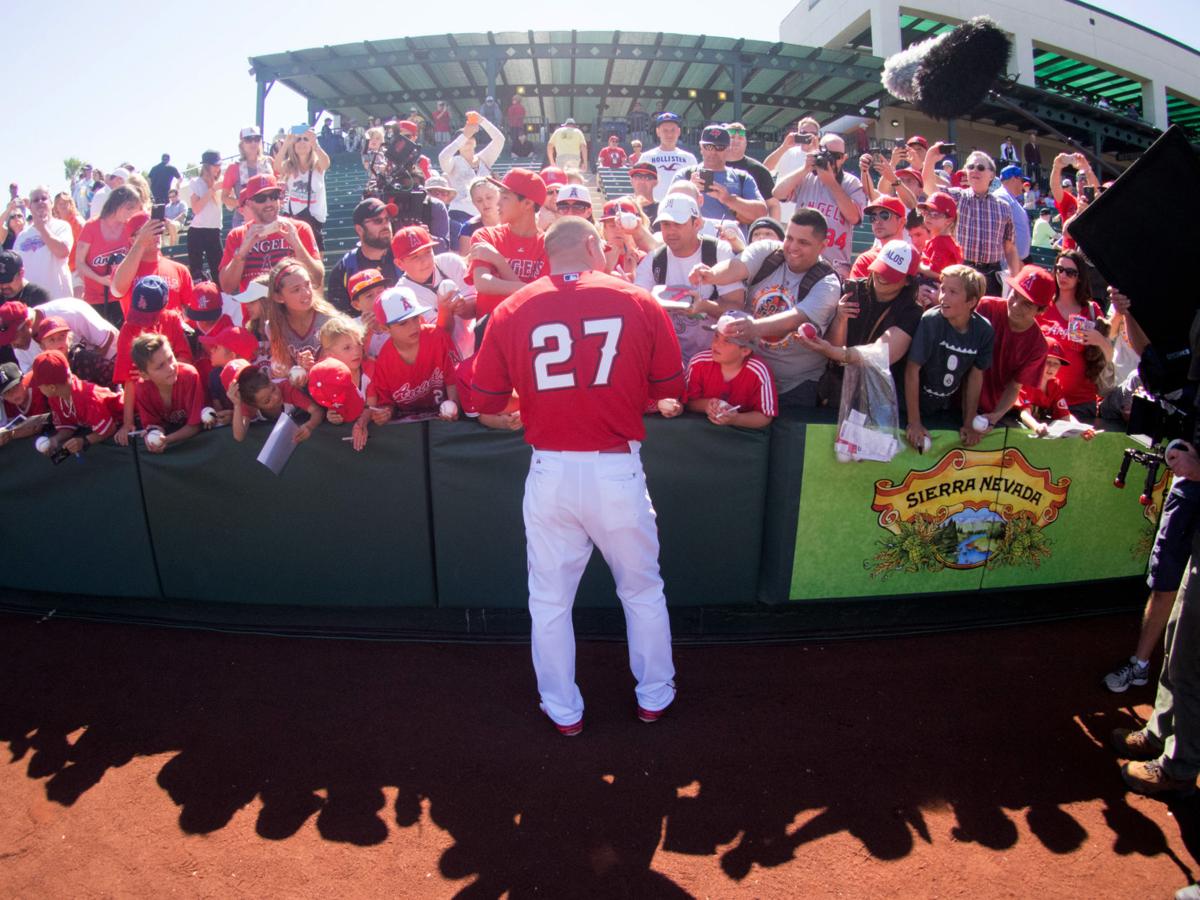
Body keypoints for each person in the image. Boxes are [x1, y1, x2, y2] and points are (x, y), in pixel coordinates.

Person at [469, 216, 684, 735]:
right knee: (641, 590)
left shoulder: (513, 307)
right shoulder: (637, 299)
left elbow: (486, 402)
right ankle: (653, 695)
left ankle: (563, 708)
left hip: (551, 468)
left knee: (548, 600)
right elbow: (667, 387)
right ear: (592, 245)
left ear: (547, 252)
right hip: (615, 466)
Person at [689, 209, 842, 407]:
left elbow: (795, 318)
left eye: (803, 242)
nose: (793, 247)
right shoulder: (768, 251)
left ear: (823, 246)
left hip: (795, 385)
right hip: (749, 375)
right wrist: (711, 275)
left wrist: (754, 327)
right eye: (790, 238)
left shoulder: (828, 284)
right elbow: (737, 267)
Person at [797, 239, 924, 401]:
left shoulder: (912, 311)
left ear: (908, 281)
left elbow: (882, 354)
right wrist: (840, 318)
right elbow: (834, 348)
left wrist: (837, 352)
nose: (882, 277)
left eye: (891, 274)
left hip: (878, 394)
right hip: (839, 386)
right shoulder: (852, 290)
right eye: (881, 269)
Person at [633, 195, 744, 365]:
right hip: (671, 360)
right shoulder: (655, 260)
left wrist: (705, 307)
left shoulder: (717, 252)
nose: (670, 231)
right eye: (665, 225)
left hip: (715, 361)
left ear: (697, 224)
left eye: (678, 224)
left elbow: (737, 309)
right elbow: (638, 308)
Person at [904, 264, 994, 450]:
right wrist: (914, 422)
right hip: (906, 406)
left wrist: (968, 422)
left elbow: (976, 376)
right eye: (943, 289)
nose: (943, 296)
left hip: (941, 409)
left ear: (971, 302)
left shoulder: (984, 331)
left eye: (953, 292)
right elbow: (912, 369)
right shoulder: (931, 321)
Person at [921, 145, 1019, 297]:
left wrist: (1015, 278)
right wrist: (930, 157)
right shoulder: (957, 197)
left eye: (980, 167)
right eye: (971, 166)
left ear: (992, 174)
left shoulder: (1004, 207)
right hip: (961, 270)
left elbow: (1010, 248)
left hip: (992, 276)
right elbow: (929, 188)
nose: (974, 170)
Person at [771, 134, 866, 279]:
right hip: (801, 263)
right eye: (827, 154)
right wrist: (805, 169)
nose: (832, 160)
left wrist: (831, 183)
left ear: (844, 158)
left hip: (834, 266)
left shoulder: (850, 182)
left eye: (837, 156)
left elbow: (854, 217)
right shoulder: (807, 177)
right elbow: (778, 193)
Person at [1034, 249, 1110, 418]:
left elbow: (1109, 357)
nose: (1063, 276)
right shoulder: (1042, 305)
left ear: (1080, 277)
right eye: (1059, 269)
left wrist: (1099, 340)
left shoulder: (1091, 310)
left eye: (1070, 272)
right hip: (1042, 398)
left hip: (1079, 402)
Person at [366, 285, 460, 421]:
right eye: (403, 323)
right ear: (385, 328)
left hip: (444, 423)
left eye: (415, 318)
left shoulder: (438, 337)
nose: (413, 326)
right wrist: (385, 413)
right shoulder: (384, 360)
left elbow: (454, 381)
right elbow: (387, 404)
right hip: (409, 428)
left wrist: (454, 407)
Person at [218, 174, 322, 294]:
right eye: (261, 198)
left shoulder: (299, 228)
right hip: (255, 311)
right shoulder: (237, 235)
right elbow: (227, 287)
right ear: (249, 203)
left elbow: (317, 279)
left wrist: (297, 245)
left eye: (273, 196)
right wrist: (241, 254)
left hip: (292, 311)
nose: (268, 203)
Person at [467, 169, 548, 318]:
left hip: (530, 332)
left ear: (527, 204)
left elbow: (539, 302)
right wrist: (532, 290)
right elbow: (483, 283)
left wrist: (499, 262)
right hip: (491, 331)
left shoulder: (549, 245)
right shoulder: (486, 235)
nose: (497, 202)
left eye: (505, 197)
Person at [976, 264, 1052, 424]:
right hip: (953, 401)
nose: (1016, 304)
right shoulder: (984, 307)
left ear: (1041, 311)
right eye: (1015, 294)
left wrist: (996, 415)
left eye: (1027, 304)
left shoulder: (1038, 346)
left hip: (989, 412)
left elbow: (1015, 386)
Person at [391, 225, 476, 360]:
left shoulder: (450, 261)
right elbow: (438, 338)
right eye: (415, 256)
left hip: (476, 345)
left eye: (427, 251)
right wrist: (445, 310)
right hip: (444, 361)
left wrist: (463, 307)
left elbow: (477, 306)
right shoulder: (401, 295)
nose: (424, 260)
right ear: (400, 264)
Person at [685, 310, 778, 429]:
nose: (716, 344)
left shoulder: (758, 371)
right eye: (716, 336)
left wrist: (736, 419)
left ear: (745, 351)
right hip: (702, 429)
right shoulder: (698, 362)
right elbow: (687, 402)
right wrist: (707, 405)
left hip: (741, 435)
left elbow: (765, 416)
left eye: (727, 341)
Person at [675, 124, 767, 230]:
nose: (713, 152)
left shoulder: (742, 177)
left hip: (732, 241)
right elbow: (668, 209)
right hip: (694, 242)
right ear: (701, 148)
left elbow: (762, 213)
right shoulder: (685, 175)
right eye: (708, 147)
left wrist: (728, 199)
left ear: (728, 149)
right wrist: (688, 189)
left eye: (720, 147)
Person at [0, 296, 119, 377]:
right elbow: (33, 376)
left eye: (13, 337)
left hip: (115, 362)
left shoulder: (67, 312)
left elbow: (107, 338)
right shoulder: (20, 346)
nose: (13, 344)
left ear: (28, 324)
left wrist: (82, 373)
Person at [29, 349, 121, 453]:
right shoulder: (55, 397)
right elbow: (68, 427)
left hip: (130, 422)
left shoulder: (87, 398)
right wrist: (55, 440)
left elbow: (109, 429)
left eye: (39, 385)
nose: (38, 388)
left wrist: (84, 441)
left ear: (52, 387)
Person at [128, 332, 205, 451]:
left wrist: (167, 440)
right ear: (145, 375)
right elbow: (154, 426)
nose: (170, 368)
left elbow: (195, 425)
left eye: (170, 358)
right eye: (160, 366)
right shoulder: (142, 389)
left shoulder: (190, 375)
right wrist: (153, 433)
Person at [264, 259, 338, 380]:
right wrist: (296, 369)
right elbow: (283, 370)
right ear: (278, 297)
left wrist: (313, 366)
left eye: (307, 284)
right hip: (298, 389)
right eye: (296, 289)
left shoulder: (329, 320)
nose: (306, 292)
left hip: (330, 383)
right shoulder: (273, 326)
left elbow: (341, 363)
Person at [327, 198, 400, 314]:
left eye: (387, 219)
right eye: (377, 221)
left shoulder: (404, 256)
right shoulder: (344, 268)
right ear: (359, 229)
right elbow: (341, 318)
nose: (385, 225)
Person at [438, 114, 507, 219]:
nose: (467, 139)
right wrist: (464, 135)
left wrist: (482, 121)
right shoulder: (453, 162)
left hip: (486, 213)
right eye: (464, 138)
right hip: (460, 213)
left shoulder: (484, 159)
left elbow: (499, 140)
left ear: (475, 142)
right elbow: (442, 157)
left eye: (471, 137)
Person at [275, 127, 331, 251]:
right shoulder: (289, 166)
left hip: (313, 221)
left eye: (305, 139)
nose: (302, 142)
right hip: (292, 218)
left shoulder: (317, 166)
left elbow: (326, 163)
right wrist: (286, 144)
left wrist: (315, 143)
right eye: (298, 139)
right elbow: (277, 166)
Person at [12, 187, 73, 301]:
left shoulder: (62, 226)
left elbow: (62, 252)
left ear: (51, 203)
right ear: (29, 206)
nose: (40, 202)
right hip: (30, 302)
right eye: (35, 200)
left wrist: (42, 229)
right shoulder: (22, 236)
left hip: (58, 298)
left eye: (44, 198)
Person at [221, 127, 276, 229]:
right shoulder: (234, 167)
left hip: (269, 218)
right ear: (242, 144)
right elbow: (224, 197)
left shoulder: (269, 162)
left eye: (257, 139)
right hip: (243, 221)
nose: (253, 143)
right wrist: (242, 204)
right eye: (248, 140)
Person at [724, 121, 779, 220]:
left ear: (746, 143)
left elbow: (773, 205)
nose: (736, 141)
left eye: (740, 138)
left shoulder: (759, 170)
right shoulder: (714, 166)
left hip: (750, 230)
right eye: (732, 137)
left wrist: (774, 230)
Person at [641, 112, 697, 203]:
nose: (669, 134)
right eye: (665, 130)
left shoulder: (689, 158)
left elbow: (695, 186)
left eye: (672, 130)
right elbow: (639, 185)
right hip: (654, 207)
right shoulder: (647, 157)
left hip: (681, 208)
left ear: (678, 131)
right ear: (658, 132)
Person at [186, 150, 224, 282]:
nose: (218, 168)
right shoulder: (196, 182)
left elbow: (230, 203)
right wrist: (212, 189)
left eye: (219, 165)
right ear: (207, 166)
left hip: (214, 230)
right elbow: (196, 208)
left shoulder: (221, 182)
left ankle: (222, 299)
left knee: (219, 271)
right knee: (197, 272)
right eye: (215, 165)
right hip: (197, 231)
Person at [848, 195, 908, 278]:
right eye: (873, 217)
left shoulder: (915, 259)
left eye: (884, 215)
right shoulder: (866, 260)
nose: (877, 221)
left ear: (901, 221)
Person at [916, 192, 964, 280]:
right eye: (926, 212)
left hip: (935, 287)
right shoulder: (941, 240)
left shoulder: (941, 242)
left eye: (935, 214)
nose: (928, 217)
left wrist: (916, 265)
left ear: (948, 221)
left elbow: (936, 272)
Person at [996, 165, 1032, 263]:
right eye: (1022, 181)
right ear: (1013, 179)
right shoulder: (1001, 197)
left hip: (1016, 260)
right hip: (1007, 262)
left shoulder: (1010, 198)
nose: (1023, 184)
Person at [456, 178, 501, 255]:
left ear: (499, 196)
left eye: (489, 197)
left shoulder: (513, 223)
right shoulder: (469, 228)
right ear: (474, 203)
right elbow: (464, 261)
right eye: (479, 200)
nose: (485, 203)